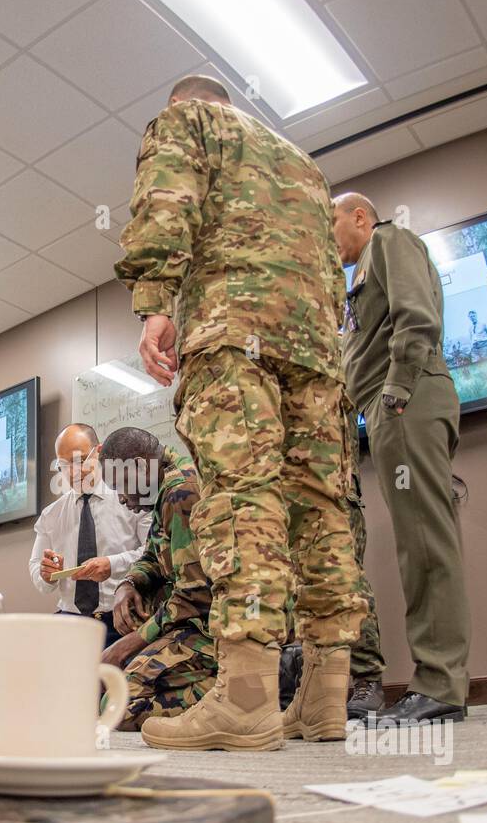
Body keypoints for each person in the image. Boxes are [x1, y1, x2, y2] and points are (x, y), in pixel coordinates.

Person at [115, 74, 366, 751]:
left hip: (234, 331)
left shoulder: (188, 123)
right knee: (321, 506)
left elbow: (166, 204)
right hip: (316, 348)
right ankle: (324, 698)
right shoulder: (306, 166)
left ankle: (248, 696)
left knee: (242, 496)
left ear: (188, 104)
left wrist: (155, 305)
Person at [332, 193, 470, 723]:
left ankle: (440, 686)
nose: (329, 235)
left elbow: (416, 315)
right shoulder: (361, 271)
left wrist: (395, 394)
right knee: (418, 543)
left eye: (333, 222)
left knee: (425, 543)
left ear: (360, 217)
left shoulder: (390, 240)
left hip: (405, 402)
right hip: (389, 410)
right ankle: (437, 683)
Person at [99, 427, 216, 735]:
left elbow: (195, 597)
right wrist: (129, 584)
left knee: (120, 707)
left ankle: (252, 684)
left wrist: (129, 643)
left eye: (122, 486)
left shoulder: (181, 491)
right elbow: (152, 556)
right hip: (186, 624)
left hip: (211, 628)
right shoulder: (165, 488)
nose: (122, 499)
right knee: (108, 697)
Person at [28, 423, 148, 648]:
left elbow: (153, 551)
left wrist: (112, 565)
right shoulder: (51, 516)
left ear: (99, 452)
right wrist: (45, 574)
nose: (73, 472)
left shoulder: (132, 498)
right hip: (70, 622)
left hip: (124, 620)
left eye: (80, 460)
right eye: (64, 465)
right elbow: (37, 572)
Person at [342, 397, 387, 718]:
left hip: (334, 490)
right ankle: (309, 687)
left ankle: (367, 679)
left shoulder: (336, 359)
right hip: (287, 494)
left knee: (348, 586)